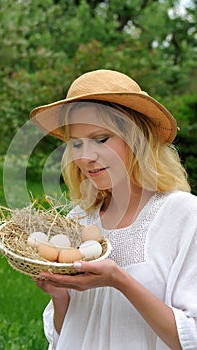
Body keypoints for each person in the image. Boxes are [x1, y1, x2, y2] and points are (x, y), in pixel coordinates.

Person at [30, 69, 197, 350]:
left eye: (101, 139)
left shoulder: (184, 215)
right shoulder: (80, 219)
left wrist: (120, 280)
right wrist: (60, 295)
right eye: (76, 143)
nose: (85, 156)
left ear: (136, 138)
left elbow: (188, 338)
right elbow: (64, 336)